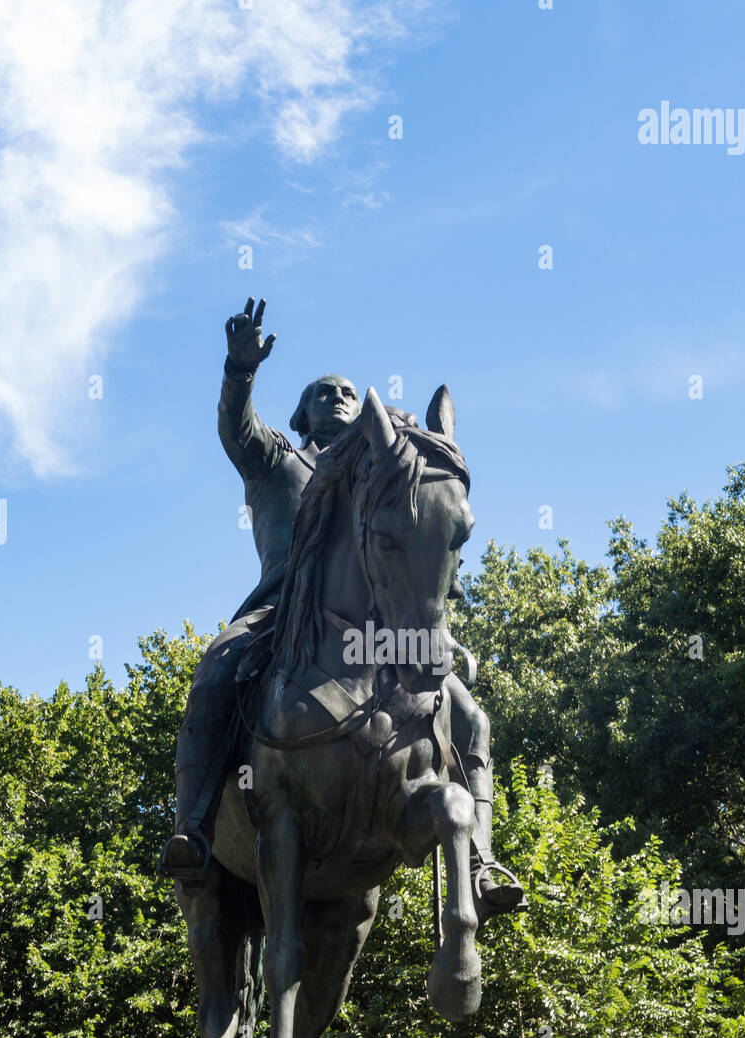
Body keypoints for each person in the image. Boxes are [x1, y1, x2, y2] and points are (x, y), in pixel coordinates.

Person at [158, 298, 524, 920]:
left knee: (471, 716)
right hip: (281, 610)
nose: (337, 396)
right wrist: (239, 373)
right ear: (302, 413)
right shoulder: (279, 462)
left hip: (375, 627)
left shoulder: (374, 474)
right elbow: (236, 431)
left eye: (347, 392)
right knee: (217, 666)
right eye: (322, 393)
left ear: (361, 412)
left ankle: (481, 860)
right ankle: (193, 825)